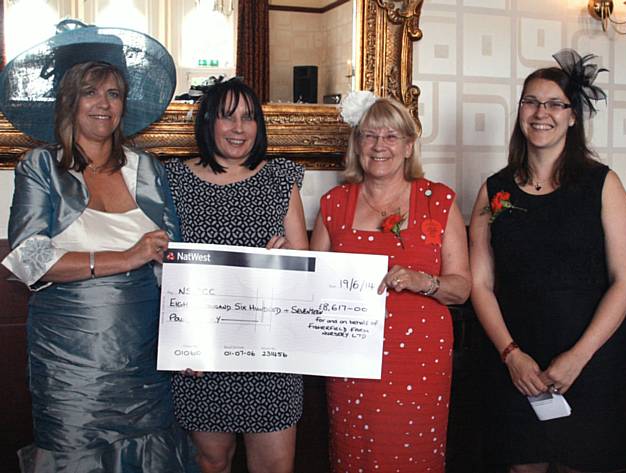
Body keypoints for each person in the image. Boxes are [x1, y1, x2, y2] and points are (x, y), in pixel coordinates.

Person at [0, 21, 190, 472]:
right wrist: (127, 257)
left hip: (145, 362)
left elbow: (174, 264)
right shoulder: (41, 167)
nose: (103, 105)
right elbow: (28, 260)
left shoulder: (146, 168)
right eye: (91, 92)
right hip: (71, 366)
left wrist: (187, 342)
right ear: (69, 99)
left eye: (114, 94)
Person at [469, 49, 626, 473]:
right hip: (517, 363)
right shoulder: (494, 190)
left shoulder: (603, 184)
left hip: (591, 361)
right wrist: (511, 355)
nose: (541, 112)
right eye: (530, 101)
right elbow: (480, 284)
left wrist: (578, 357)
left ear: (573, 116)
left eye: (555, 103)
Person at [310, 93, 471, 472]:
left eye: (391, 136)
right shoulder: (334, 203)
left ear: (409, 145)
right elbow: (314, 286)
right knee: (355, 453)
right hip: (350, 357)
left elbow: (462, 286)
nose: (379, 145)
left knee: (413, 454)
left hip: (419, 358)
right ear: (357, 144)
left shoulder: (439, 200)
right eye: (369, 136)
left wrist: (424, 281)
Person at [165, 77, 308, 473]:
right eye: (227, 117)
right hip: (201, 354)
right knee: (211, 462)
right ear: (208, 121)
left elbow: (302, 263)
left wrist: (290, 258)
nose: (240, 128)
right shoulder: (173, 180)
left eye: (249, 118)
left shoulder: (281, 178)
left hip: (271, 352)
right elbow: (163, 268)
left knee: (276, 465)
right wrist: (180, 342)